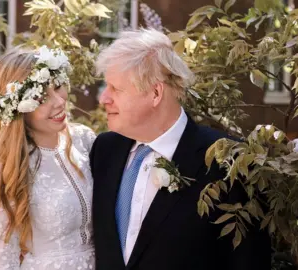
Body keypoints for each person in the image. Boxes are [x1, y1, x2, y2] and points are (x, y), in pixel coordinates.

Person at [90, 28, 271, 270]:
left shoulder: (228, 162)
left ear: (155, 92)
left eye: (116, 89)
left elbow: (249, 262)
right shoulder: (104, 150)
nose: (104, 99)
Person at [0, 45, 96, 270]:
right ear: (17, 109)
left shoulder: (85, 140)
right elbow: (3, 262)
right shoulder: (8, 167)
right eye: (41, 98)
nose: (59, 101)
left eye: (58, 87)